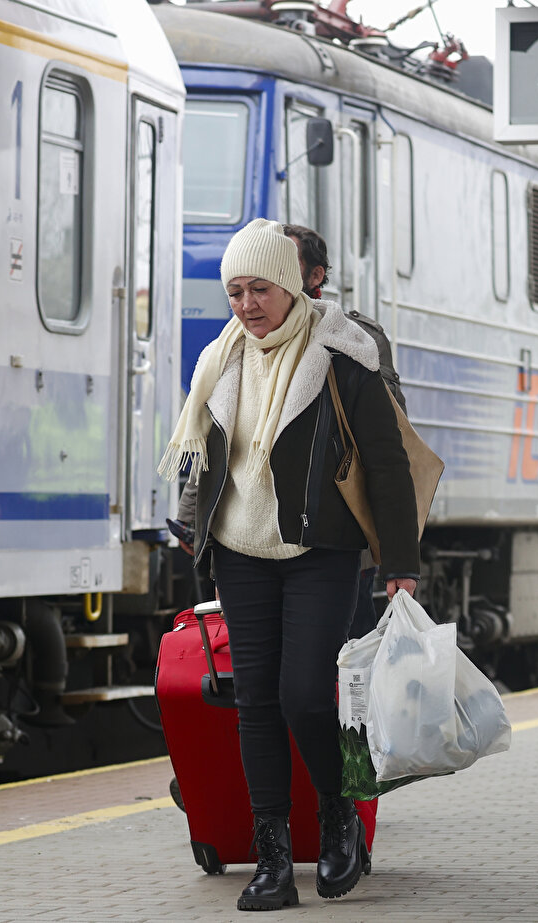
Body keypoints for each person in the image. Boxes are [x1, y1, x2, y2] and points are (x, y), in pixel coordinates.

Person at [159, 218, 419, 911]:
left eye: (260, 289)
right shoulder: (221, 358)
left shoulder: (343, 356)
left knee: (305, 693)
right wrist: (193, 528)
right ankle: (272, 856)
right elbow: (207, 455)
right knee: (256, 703)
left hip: (320, 549)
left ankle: (338, 817)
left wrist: (399, 560)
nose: (247, 304)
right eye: (236, 291)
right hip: (240, 550)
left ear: (292, 285)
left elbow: (387, 463)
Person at [281, 224, 408, 639]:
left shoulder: (356, 338)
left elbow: (387, 443)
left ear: (316, 276)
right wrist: (193, 514)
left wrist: (398, 557)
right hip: (268, 530)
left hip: (337, 524)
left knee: (346, 646)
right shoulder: (246, 341)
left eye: (286, 262)